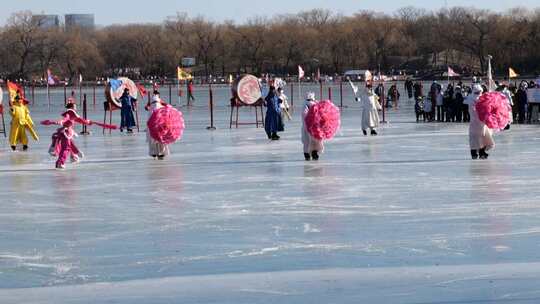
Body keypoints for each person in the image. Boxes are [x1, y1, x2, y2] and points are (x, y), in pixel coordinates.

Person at [465, 84, 494, 159]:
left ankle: (481, 152)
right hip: (476, 121)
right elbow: (473, 110)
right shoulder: (471, 98)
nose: (479, 93)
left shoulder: (479, 98)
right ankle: (474, 153)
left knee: (483, 136)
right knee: (476, 138)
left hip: (482, 121)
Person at [146, 90, 169, 160]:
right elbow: (166, 105)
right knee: (159, 138)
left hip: (155, 122)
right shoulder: (158, 101)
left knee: (155, 138)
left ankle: (155, 152)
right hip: (157, 122)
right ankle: (160, 153)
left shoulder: (153, 102)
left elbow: (146, 107)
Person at [302, 92, 323, 160]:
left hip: (307, 126)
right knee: (315, 140)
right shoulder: (315, 104)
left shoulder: (305, 104)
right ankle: (314, 153)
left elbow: (304, 115)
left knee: (306, 141)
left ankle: (307, 154)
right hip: (315, 126)